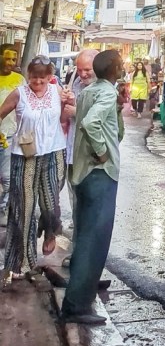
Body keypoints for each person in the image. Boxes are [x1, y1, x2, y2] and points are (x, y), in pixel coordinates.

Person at [61, 49, 124, 326]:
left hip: (84, 173)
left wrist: (117, 111)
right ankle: (76, 306)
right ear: (114, 69)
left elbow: (116, 132)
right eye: (120, 65)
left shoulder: (89, 92)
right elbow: (89, 123)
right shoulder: (106, 92)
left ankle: (78, 297)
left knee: (85, 236)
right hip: (101, 173)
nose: (123, 68)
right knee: (94, 240)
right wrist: (101, 152)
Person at [0, 56, 71, 286]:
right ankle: (22, 263)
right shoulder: (19, 93)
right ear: (28, 75)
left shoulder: (56, 91)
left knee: (50, 201)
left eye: (43, 78)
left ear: (50, 76)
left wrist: (68, 103)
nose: (38, 82)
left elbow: (63, 119)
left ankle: (50, 232)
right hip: (25, 156)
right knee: (24, 208)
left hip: (54, 152)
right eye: (34, 77)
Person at [61, 49, 99, 269]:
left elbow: (100, 121)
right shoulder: (75, 83)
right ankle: (77, 254)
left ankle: (88, 259)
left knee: (90, 209)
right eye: (80, 69)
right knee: (76, 208)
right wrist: (65, 104)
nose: (83, 74)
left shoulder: (104, 88)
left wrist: (76, 109)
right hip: (71, 154)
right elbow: (64, 116)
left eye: (87, 70)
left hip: (92, 159)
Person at [0, 44, 24, 227]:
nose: (10, 63)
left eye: (13, 59)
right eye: (7, 58)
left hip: (9, 137)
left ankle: (3, 210)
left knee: (7, 179)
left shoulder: (20, 80)